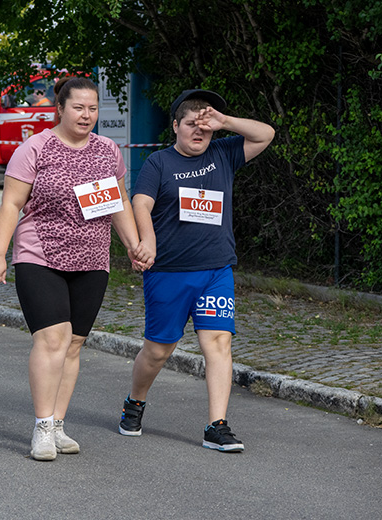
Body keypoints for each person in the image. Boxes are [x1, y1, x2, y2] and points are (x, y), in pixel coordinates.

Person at [0, 77, 144, 461]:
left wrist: (133, 245)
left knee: (73, 343)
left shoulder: (108, 151)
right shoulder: (35, 148)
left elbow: (116, 200)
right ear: (60, 108)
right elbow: (11, 204)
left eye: (92, 109)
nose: (86, 115)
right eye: (78, 108)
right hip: (40, 253)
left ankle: (57, 423)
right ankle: (41, 426)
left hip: (92, 258)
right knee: (52, 338)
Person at [119, 89, 275, 452]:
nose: (199, 132)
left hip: (215, 269)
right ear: (175, 126)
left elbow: (265, 134)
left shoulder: (224, 153)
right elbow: (140, 202)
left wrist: (225, 122)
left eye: (206, 127)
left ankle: (216, 425)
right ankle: (135, 402)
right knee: (158, 350)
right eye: (192, 125)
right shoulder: (159, 162)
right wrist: (148, 241)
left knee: (218, 343)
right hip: (169, 272)